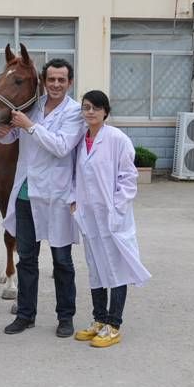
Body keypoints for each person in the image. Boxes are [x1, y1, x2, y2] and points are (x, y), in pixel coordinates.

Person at [0, 58, 86, 338]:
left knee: (61, 259)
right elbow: (14, 140)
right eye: (51, 80)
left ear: (69, 82)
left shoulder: (74, 113)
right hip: (27, 192)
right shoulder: (32, 107)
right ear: (43, 82)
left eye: (62, 80)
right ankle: (25, 315)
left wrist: (29, 126)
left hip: (57, 194)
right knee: (27, 259)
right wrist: (4, 133)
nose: (56, 85)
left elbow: (61, 147)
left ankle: (65, 317)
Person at [70, 90, 151, 348]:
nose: (90, 112)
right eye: (86, 107)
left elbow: (128, 178)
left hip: (113, 218)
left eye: (95, 107)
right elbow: (77, 177)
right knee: (96, 269)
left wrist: (116, 208)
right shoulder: (81, 141)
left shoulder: (117, 139)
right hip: (89, 217)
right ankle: (99, 319)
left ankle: (114, 325)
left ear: (105, 111)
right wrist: (76, 204)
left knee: (116, 270)